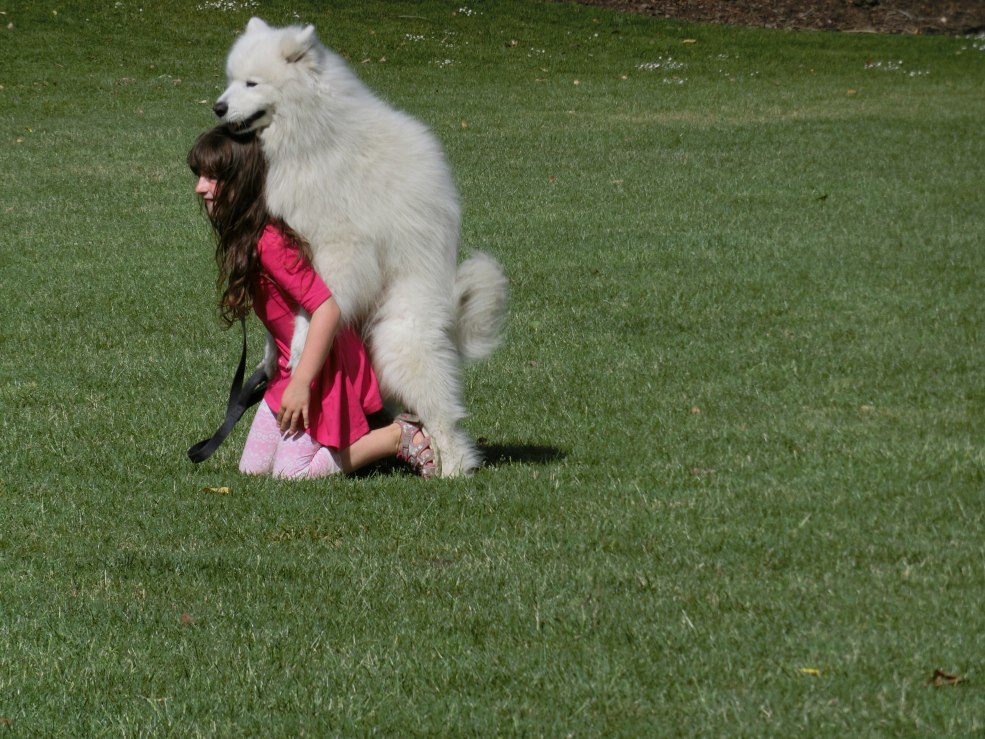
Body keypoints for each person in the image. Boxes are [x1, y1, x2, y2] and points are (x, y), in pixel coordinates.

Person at [187, 126, 439, 479]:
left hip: (319, 372)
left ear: (242, 180)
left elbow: (327, 309)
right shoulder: (247, 234)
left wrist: (302, 383)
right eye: (199, 175)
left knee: (291, 474)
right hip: (289, 371)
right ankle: (362, 434)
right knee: (251, 471)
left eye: (212, 178)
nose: (200, 187)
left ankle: (398, 436)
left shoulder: (269, 242)